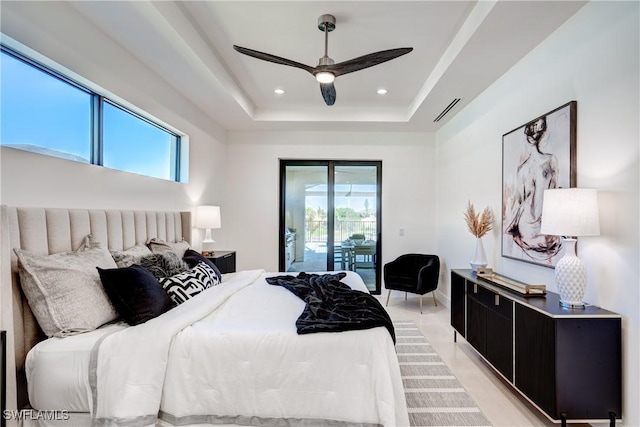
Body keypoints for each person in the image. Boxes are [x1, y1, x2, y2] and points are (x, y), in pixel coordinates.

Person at [504, 116, 561, 262]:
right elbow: (553, 194)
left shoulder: (522, 169)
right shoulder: (550, 161)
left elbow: (520, 199)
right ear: (543, 134)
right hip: (542, 226)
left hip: (527, 227)